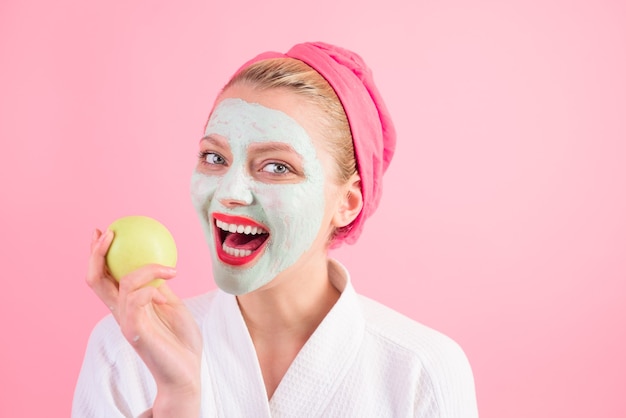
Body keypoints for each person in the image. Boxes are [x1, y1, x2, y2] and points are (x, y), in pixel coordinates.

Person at [73, 42, 479, 417]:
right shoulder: (124, 350)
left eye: (277, 166)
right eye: (214, 157)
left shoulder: (421, 369)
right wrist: (178, 398)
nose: (228, 193)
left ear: (347, 203)